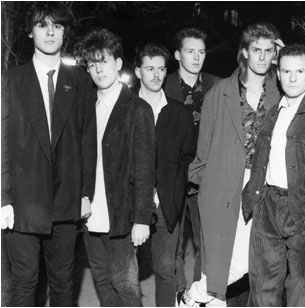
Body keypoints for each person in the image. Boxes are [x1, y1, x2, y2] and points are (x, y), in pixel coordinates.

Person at [180, 21, 305, 307]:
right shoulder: (220, 93)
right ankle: (203, 297)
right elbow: (202, 153)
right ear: (244, 53)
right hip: (225, 183)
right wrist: (207, 187)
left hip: (263, 185)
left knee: (250, 263)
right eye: (257, 50)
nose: (263, 57)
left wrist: (284, 48)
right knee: (220, 257)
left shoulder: (282, 89)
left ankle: (198, 297)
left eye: (268, 51)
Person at [1, 3, 96, 306]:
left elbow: (87, 140)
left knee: (63, 283)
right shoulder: (11, 81)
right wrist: (3, 197)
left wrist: (85, 193)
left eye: (56, 25)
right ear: (30, 32)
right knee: (25, 282)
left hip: (66, 202)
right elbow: (2, 142)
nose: (50, 31)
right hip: (23, 203)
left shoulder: (80, 80)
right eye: (42, 25)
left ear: (65, 31)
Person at [242, 44, 305, 306]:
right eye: (286, 71)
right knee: (263, 285)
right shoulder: (273, 112)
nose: (293, 78)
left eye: (300, 71)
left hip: (303, 207)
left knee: (302, 285)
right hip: (268, 203)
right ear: (278, 74)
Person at [73, 28, 156, 306]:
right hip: (91, 212)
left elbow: (146, 169)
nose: (98, 70)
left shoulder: (137, 109)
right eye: (92, 64)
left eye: (104, 61)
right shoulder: (86, 107)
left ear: (118, 64)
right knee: (102, 281)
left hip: (122, 213)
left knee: (125, 284)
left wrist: (142, 218)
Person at [134, 43, 195, 307]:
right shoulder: (126, 108)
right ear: (138, 72)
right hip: (130, 205)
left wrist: (173, 193)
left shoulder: (179, 112)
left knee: (165, 270)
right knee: (125, 275)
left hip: (166, 205)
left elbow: (186, 158)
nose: (156, 75)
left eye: (161, 69)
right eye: (149, 68)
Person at [164, 27, 221, 300]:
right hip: (172, 176)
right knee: (171, 242)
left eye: (201, 52)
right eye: (190, 51)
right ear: (177, 55)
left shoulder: (217, 86)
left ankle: (197, 295)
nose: (196, 57)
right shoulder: (163, 85)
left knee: (205, 242)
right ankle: (177, 290)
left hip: (205, 176)